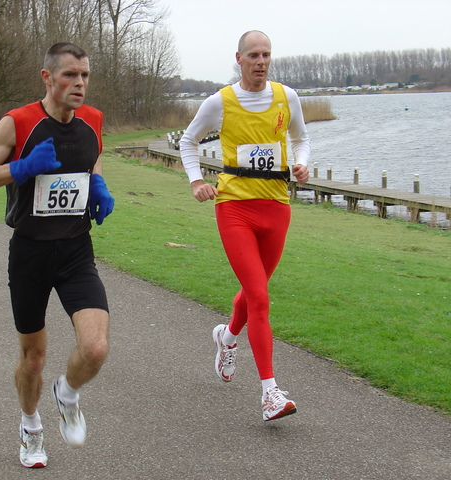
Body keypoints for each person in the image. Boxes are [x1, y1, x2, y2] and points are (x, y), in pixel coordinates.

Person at [0, 42, 114, 468]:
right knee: (33, 357)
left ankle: (67, 393)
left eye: (84, 75)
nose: (79, 84)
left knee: (96, 347)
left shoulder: (94, 120)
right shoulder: (18, 123)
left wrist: (98, 185)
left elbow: (91, 159)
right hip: (29, 254)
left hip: (76, 251)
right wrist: (21, 167)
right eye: (69, 75)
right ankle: (30, 428)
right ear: (47, 78)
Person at [179, 30, 311, 421]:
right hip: (235, 208)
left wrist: (302, 163)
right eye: (253, 54)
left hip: (276, 207)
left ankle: (227, 337)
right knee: (259, 297)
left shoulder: (288, 97)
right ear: (239, 58)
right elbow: (188, 141)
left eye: (266, 54)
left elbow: (301, 138)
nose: (260, 61)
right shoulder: (220, 101)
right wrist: (196, 181)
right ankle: (270, 393)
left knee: (257, 292)